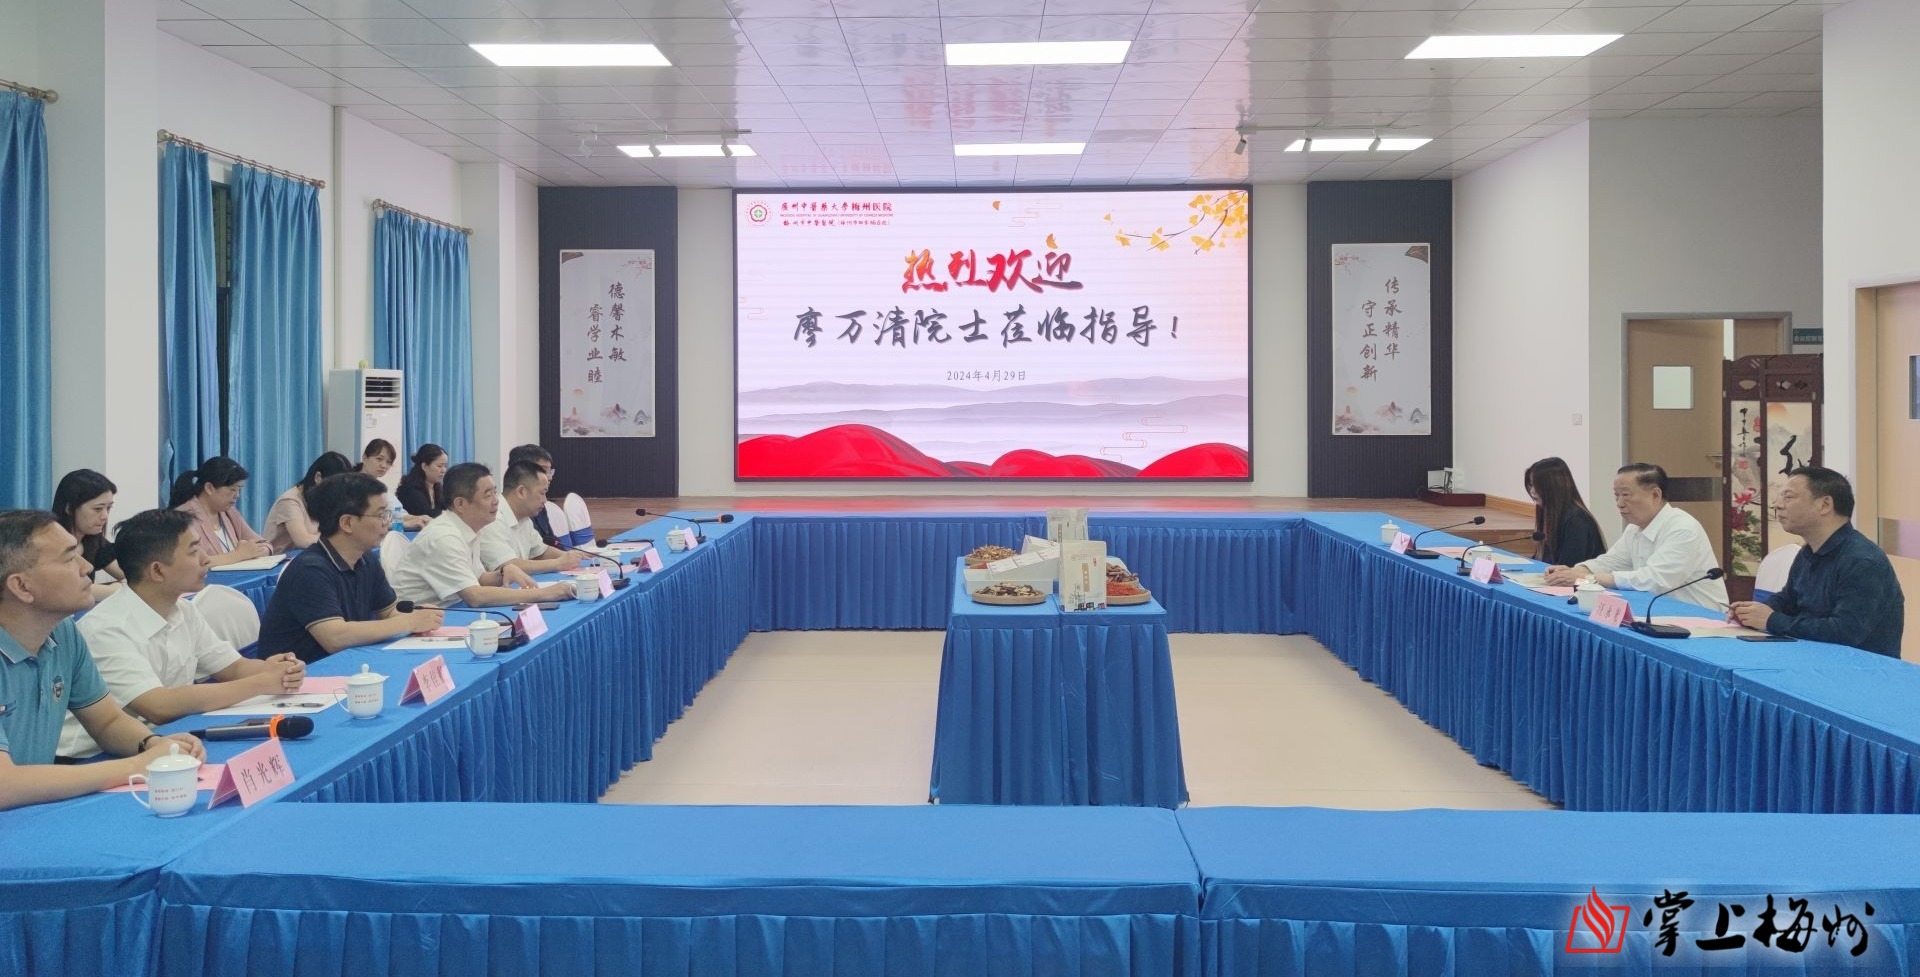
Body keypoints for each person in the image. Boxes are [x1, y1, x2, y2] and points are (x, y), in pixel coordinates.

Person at [58, 510, 306, 759]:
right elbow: (159, 706)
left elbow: (233, 667)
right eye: (193, 551)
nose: (206, 560)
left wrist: (275, 669)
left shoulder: (184, 610)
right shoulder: (107, 628)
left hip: (162, 739)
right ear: (157, 571)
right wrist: (262, 682)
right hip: (93, 756)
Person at [0, 510, 204, 811]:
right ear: (21, 587)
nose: (86, 567)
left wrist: (152, 744)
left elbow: (107, 721)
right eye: (69, 559)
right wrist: (139, 765)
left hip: (29, 813)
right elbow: (4, 785)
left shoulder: (62, 632)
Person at [258, 473, 445, 664]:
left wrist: (418, 615)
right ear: (347, 523)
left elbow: (389, 611)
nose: (387, 522)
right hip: (302, 674)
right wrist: (408, 622)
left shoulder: (365, 559)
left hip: (347, 664)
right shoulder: (309, 570)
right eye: (381, 515)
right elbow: (335, 638)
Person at [1730, 467, 1906, 657]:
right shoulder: (1808, 552)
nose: (1778, 505)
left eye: (1788, 497)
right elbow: (1789, 599)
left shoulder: (1863, 561)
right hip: (1812, 659)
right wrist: (1752, 612)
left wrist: (1771, 620)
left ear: (1825, 505)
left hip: (1857, 669)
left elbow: (1844, 631)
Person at [1545, 462, 1729, 612]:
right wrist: (1576, 570)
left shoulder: (1682, 528)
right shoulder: (1634, 528)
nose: (1619, 503)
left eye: (1626, 495)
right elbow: (1612, 561)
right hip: (1659, 611)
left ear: (1655, 495)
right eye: (1616, 496)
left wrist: (1588, 579)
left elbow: (1655, 580)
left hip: (1701, 617)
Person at [389, 463, 574, 608]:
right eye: (487, 495)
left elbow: (479, 578)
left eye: (495, 492)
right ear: (460, 504)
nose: (496, 501)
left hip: (450, 609)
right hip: (417, 620)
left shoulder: (469, 528)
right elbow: (475, 596)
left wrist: (502, 573)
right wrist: (543, 593)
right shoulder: (444, 537)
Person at [478, 462, 587, 576]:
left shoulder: (524, 517)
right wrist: (558, 563)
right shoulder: (493, 518)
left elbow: (541, 551)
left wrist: (572, 557)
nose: (545, 500)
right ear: (521, 491)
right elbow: (507, 565)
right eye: (542, 493)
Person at [170, 456, 273, 568]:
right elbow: (195, 563)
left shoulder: (229, 512)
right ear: (209, 488)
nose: (237, 495)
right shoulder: (181, 518)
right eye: (233, 489)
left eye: (239, 490)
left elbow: (264, 543)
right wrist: (239, 555)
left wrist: (259, 551)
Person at [52, 468, 123, 600]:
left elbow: (133, 579)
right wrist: (112, 590)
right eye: (98, 509)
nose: (105, 516)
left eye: (108, 508)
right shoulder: (47, 544)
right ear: (69, 508)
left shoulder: (94, 541)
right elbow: (63, 589)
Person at [263, 451, 353, 552]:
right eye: (334, 489)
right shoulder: (289, 501)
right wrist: (339, 541)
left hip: (308, 555)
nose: (336, 495)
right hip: (282, 559)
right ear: (318, 477)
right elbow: (303, 541)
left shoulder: (322, 500)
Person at [1525, 457, 1606, 567]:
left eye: (1537, 486)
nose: (1532, 491)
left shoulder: (1577, 520)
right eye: (1531, 485)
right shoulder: (1547, 513)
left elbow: (1568, 567)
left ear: (1554, 486)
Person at [360, 439, 427, 531]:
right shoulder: (352, 486)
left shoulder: (379, 488)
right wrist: (403, 525)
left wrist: (421, 518)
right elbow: (365, 524)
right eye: (379, 459)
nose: (384, 465)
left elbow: (398, 513)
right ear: (365, 458)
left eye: (388, 462)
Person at [507, 443, 561, 545]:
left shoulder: (539, 504)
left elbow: (550, 541)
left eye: (550, 471)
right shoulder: (501, 516)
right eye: (544, 470)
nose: (550, 477)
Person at [395, 444, 449, 519]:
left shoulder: (438, 487)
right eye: (439, 466)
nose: (444, 470)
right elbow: (427, 514)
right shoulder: (410, 489)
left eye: (445, 466)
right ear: (424, 466)